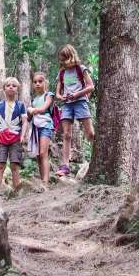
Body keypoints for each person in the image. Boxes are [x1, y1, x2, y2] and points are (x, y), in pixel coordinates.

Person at [54, 44, 95, 177]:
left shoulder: (81, 69)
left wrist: (77, 94)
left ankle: (95, 160)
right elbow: (58, 93)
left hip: (80, 102)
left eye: (65, 58)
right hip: (67, 105)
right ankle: (65, 166)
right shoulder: (62, 72)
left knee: (90, 133)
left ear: (71, 56)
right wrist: (62, 97)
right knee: (66, 134)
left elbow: (91, 86)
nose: (63, 62)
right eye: (62, 59)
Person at [0, 77, 28, 201]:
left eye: (14, 85)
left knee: (14, 165)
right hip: (1, 139)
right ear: (4, 89)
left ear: (17, 89)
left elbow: (24, 122)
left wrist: (22, 136)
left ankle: (17, 191)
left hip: (15, 139)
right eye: (8, 85)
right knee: (0, 164)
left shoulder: (21, 105)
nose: (11, 87)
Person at [26, 71, 56, 183]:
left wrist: (33, 110)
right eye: (35, 82)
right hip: (35, 127)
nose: (37, 84)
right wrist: (28, 113)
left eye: (40, 81)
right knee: (38, 155)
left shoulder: (49, 95)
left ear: (45, 82)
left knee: (43, 153)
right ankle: (42, 179)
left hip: (46, 126)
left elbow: (43, 109)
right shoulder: (34, 100)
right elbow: (29, 118)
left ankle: (45, 182)